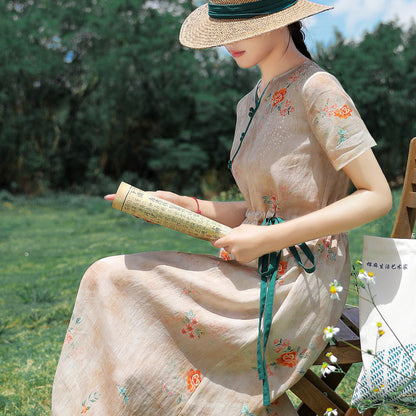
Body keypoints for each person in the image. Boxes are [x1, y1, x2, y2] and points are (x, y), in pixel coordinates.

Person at [51, 0, 392, 414]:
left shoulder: (317, 88)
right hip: (250, 266)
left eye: (241, 26)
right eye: (223, 29)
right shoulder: (247, 103)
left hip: (298, 280)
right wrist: (185, 204)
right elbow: (260, 209)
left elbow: (376, 195)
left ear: (281, 21)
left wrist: (269, 237)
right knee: (106, 279)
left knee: (111, 280)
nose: (228, 41)